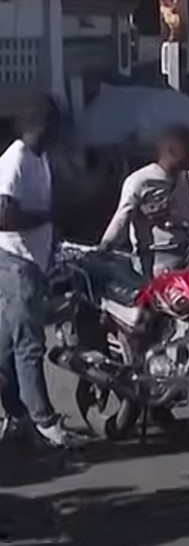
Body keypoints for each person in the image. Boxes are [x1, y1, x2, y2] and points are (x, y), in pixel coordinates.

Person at [0, 95, 76, 447]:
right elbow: (4, 216)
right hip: (16, 263)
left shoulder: (40, 158)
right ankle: (44, 421)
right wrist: (48, 217)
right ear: (41, 125)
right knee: (29, 345)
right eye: (56, 123)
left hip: (31, 263)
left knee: (7, 347)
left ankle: (17, 417)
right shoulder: (15, 158)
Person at [101, 125, 189, 277]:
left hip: (185, 257)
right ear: (172, 150)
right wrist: (103, 249)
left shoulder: (187, 178)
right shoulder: (140, 181)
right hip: (154, 261)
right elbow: (121, 218)